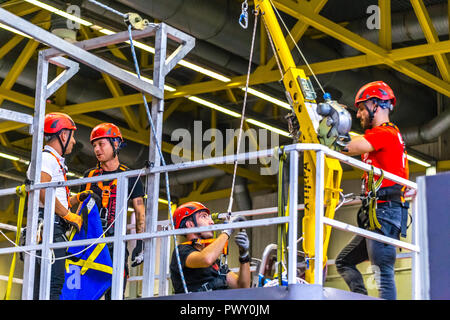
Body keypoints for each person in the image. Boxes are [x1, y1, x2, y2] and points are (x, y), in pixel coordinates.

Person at [336, 81, 410, 300]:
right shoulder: (383, 136)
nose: (358, 115)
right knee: (344, 261)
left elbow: (348, 146)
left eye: (361, 108)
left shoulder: (385, 133)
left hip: (384, 214)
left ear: (376, 105)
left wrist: (330, 129)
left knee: (382, 274)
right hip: (377, 214)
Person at [79, 122, 146, 299]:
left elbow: (140, 212)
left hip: (115, 243)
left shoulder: (131, 177)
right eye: (94, 145)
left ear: (115, 144)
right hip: (90, 241)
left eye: (101, 144)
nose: (97, 149)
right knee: (85, 290)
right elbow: (78, 208)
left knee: (115, 292)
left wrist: (140, 242)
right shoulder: (89, 176)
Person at [27, 112, 88, 300]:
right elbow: (43, 191)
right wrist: (68, 215)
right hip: (49, 226)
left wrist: (77, 199)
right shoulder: (46, 159)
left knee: (48, 283)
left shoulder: (53, 161)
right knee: (53, 282)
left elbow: (54, 198)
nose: (73, 141)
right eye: (72, 135)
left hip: (50, 225)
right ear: (63, 135)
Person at [170, 201, 251, 294]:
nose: (212, 222)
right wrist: (226, 232)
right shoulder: (181, 251)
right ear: (190, 224)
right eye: (204, 216)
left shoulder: (215, 262)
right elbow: (206, 259)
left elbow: (242, 286)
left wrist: (244, 254)